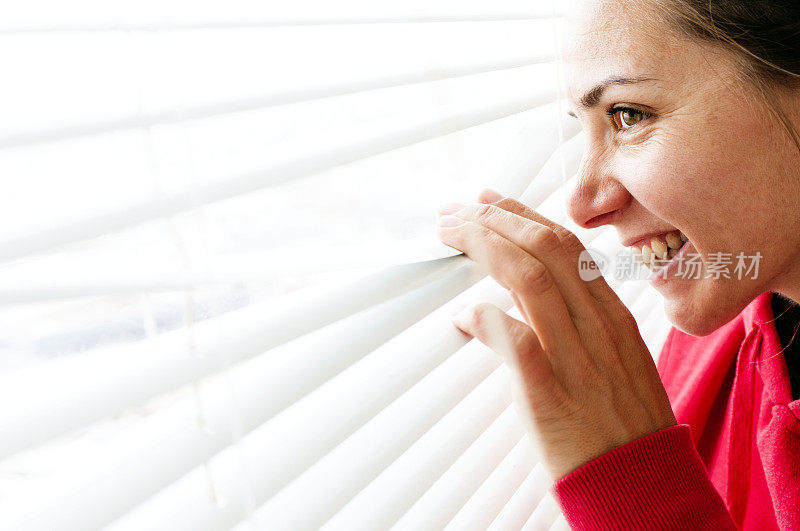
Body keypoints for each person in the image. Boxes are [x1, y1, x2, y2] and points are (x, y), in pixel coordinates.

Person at [435, 0, 800, 528]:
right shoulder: (728, 329)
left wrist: (632, 479)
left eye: (628, 115)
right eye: (579, 127)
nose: (580, 207)